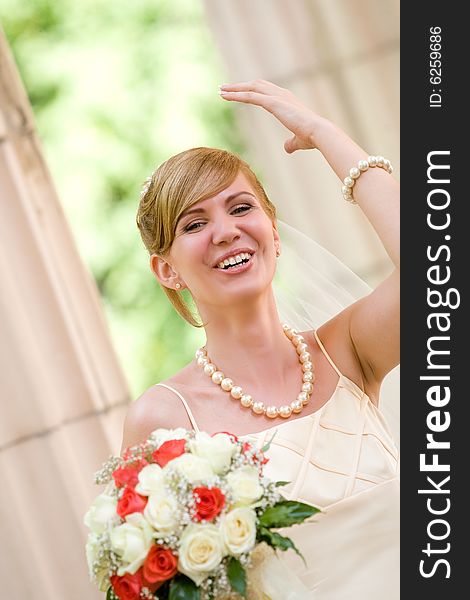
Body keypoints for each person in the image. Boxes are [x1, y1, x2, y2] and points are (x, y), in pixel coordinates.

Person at [122, 80, 399, 598]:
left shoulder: (350, 352)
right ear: (166, 270)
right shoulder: (162, 420)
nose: (226, 230)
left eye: (241, 207)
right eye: (195, 222)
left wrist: (324, 136)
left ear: (273, 228)